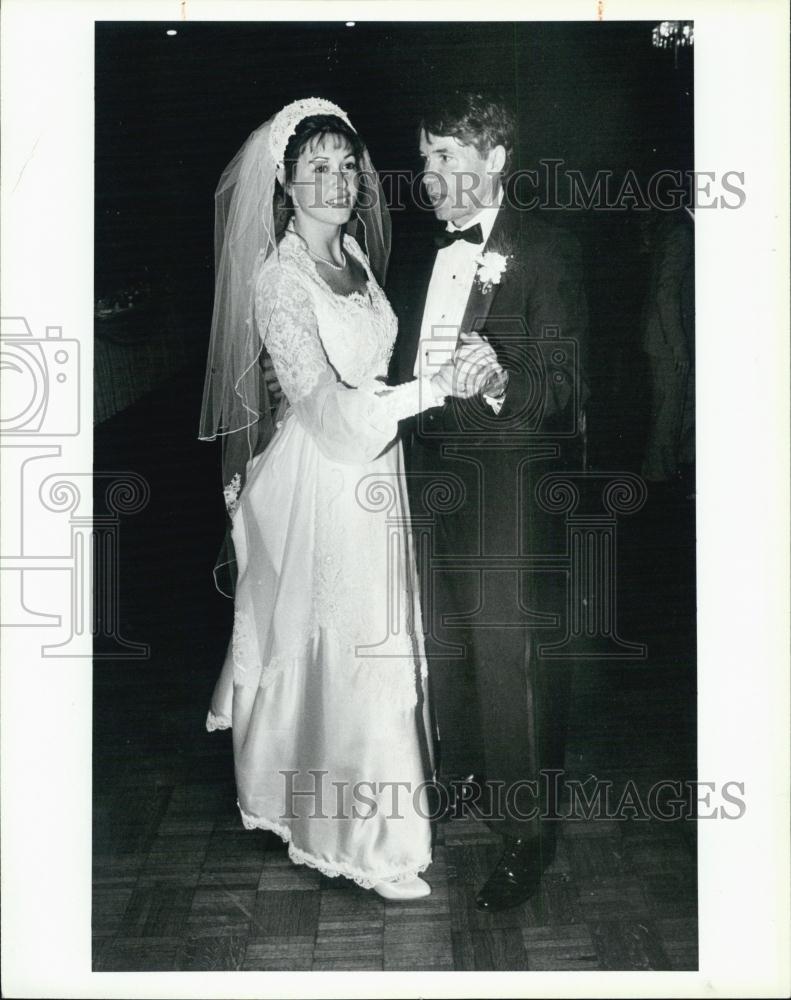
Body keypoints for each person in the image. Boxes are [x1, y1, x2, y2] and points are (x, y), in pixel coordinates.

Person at [198, 98, 502, 901]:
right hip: (327, 476)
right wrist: (428, 391)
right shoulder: (278, 279)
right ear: (285, 185)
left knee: (373, 637)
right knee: (349, 644)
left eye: (345, 166)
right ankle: (371, 843)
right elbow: (325, 408)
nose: (337, 183)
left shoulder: (358, 256)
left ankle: (333, 802)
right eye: (317, 169)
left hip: (379, 464)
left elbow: (375, 363)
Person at [389, 91, 589, 911]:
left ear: (495, 158)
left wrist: (504, 379)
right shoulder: (426, 257)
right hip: (427, 476)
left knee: (508, 654)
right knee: (446, 641)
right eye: (424, 157)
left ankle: (524, 835)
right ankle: (467, 774)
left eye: (445, 155)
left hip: (506, 484)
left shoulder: (544, 250)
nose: (427, 174)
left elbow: (565, 387)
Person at [640, 206, 695, 484]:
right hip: (667, 340)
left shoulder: (674, 225)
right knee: (667, 416)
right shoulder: (681, 231)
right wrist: (678, 345)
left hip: (664, 337)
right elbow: (666, 293)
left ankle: (672, 477)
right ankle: (658, 483)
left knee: (675, 412)